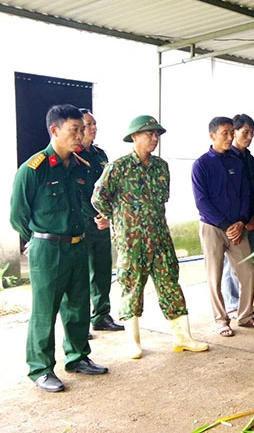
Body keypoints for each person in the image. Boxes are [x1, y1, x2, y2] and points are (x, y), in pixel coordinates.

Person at [11, 104, 108, 392]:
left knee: (78, 305)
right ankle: (40, 369)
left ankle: (78, 357)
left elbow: (83, 204)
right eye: (74, 130)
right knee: (45, 311)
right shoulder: (34, 168)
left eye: (82, 129)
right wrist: (39, 238)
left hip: (78, 245)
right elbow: (18, 215)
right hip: (48, 249)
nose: (81, 135)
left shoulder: (81, 166)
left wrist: (97, 218)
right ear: (55, 131)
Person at [93, 115, 208, 359]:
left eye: (157, 134)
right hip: (131, 240)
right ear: (134, 137)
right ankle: (133, 342)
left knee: (170, 283)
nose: (154, 138)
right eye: (149, 134)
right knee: (132, 286)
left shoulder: (161, 167)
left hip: (160, 237)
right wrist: (118, 219)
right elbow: (98, 198)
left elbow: (160, 201)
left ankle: (182, 337)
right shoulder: (118, 167)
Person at [192, 117, 254, 337]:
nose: (229, 137)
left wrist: (242, 221)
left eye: (230, 133)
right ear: (212, 135)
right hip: (213, 228)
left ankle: (244, 316)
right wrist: (226, 225)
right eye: (224, 133)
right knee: (214, 276)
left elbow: (246, 194)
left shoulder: (237, 162)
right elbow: (201, 201)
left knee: (248, 272)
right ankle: (221, 319)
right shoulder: (202, 164)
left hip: (238, 227)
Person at [77, 109, 123, 334]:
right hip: (83, 223)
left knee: (103, 271)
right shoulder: (72, 155)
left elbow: (110, 188)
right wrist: (95, 215)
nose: (93, 128)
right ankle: (81, 323)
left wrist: (107, 214)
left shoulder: (99, 155)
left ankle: (102, 316)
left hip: (102, 223)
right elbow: (76, 192)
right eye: (88, 124)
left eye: (94, 124)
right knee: (82, 275)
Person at [220, 114, 254, 320]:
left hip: (251, 221)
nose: (249, 137)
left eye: (252, 133)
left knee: (250, 265)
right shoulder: (226, 156)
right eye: (245, 132)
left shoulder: (248, 157)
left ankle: (246, 304)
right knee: (232, 266)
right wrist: (237, 221)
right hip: (233, 223)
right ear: (234, 132)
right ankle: (232, 304)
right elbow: (228, 194)